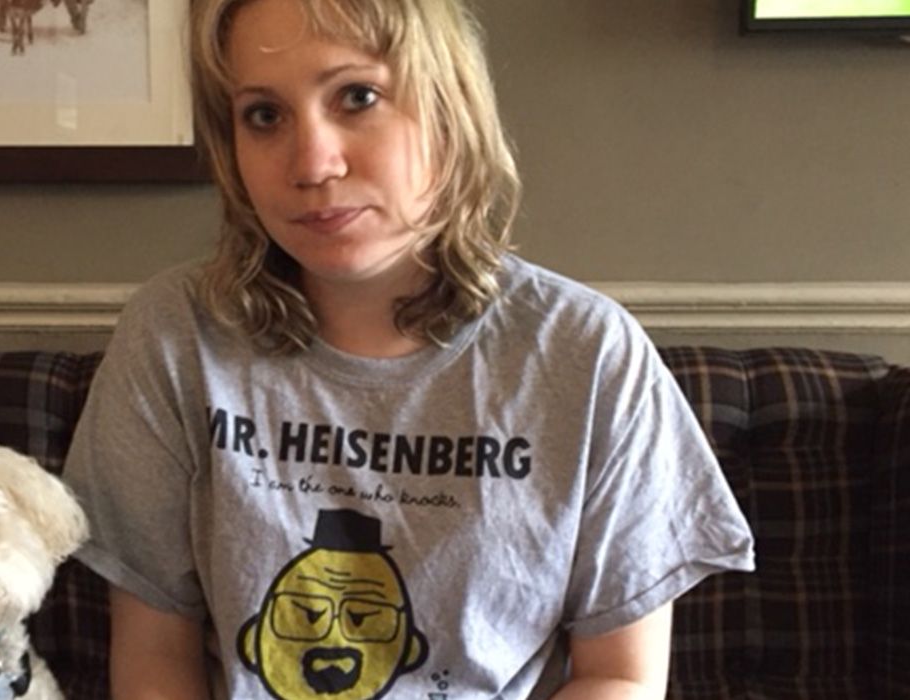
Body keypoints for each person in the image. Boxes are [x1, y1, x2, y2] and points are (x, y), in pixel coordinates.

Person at [62, 0, 755, 697]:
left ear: (450, 111)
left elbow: (620, 676)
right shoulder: (176, 334)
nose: (312, 162)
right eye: (264, 116)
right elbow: (155, 656)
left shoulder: (588, 353)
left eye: (357, 97)